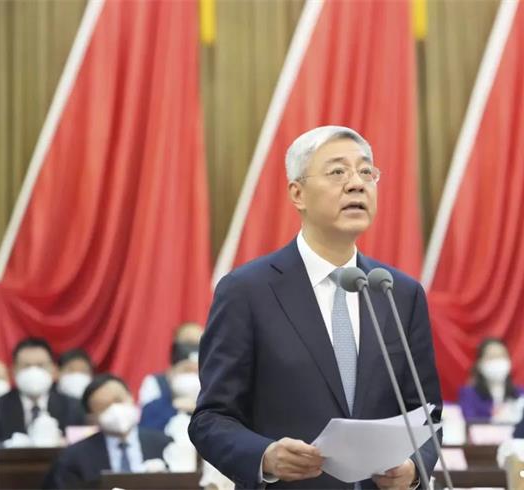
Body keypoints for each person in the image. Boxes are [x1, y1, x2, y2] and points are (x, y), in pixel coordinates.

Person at [188, 126, 442, 489]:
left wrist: (414, 468)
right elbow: (211, 419)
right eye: (338, 171)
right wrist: (265, 456)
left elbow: (427, 414)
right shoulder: (247, 291)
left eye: (366, 172)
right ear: (298, 193)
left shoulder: (398, 293)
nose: (356, 184)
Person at [45, 374, 172, 489]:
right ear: (92, 418)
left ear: (131, 397)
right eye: (104, 407)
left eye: (118, 400)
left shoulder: (164, 444)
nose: (115, 409)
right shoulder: (73, 458)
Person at [0, 338, 85, 442]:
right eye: (26, 366)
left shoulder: (73, 407)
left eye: (41, 365)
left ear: (53, 369)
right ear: (13, 370)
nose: (34, 372)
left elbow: (84, 443)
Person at [458, 338, 524, 422]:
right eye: (491, 357)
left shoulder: (519, 392)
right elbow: (470, 420)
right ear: (479, 364)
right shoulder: (469, 394)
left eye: (501, 356)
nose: (497, 361)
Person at [138, 322, 203, 407]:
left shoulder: (212, 382)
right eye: (188, 343)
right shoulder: (156, 382)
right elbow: (147, 412)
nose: (194, 348)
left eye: (199, 343)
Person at [140, 339, 200, 431]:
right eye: (187, 370)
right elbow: (148, 432)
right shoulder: (154, 407)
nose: (193, 376)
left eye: (197, 371)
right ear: (171, 372)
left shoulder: (214, 406)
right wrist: (174, 408)